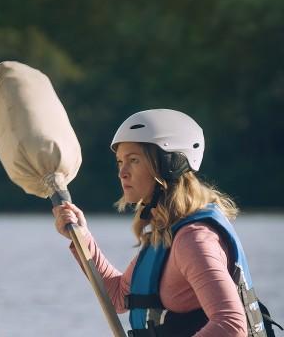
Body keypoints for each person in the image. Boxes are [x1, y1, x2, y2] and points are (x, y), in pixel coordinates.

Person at [53, 109, 280, 336]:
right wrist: (82, 237)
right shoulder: (167, 233)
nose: (122, 172)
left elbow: (230, 325)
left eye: (133, 160)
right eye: (120, 161)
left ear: (170, 163)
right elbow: (118, 297)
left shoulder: (194, 239)